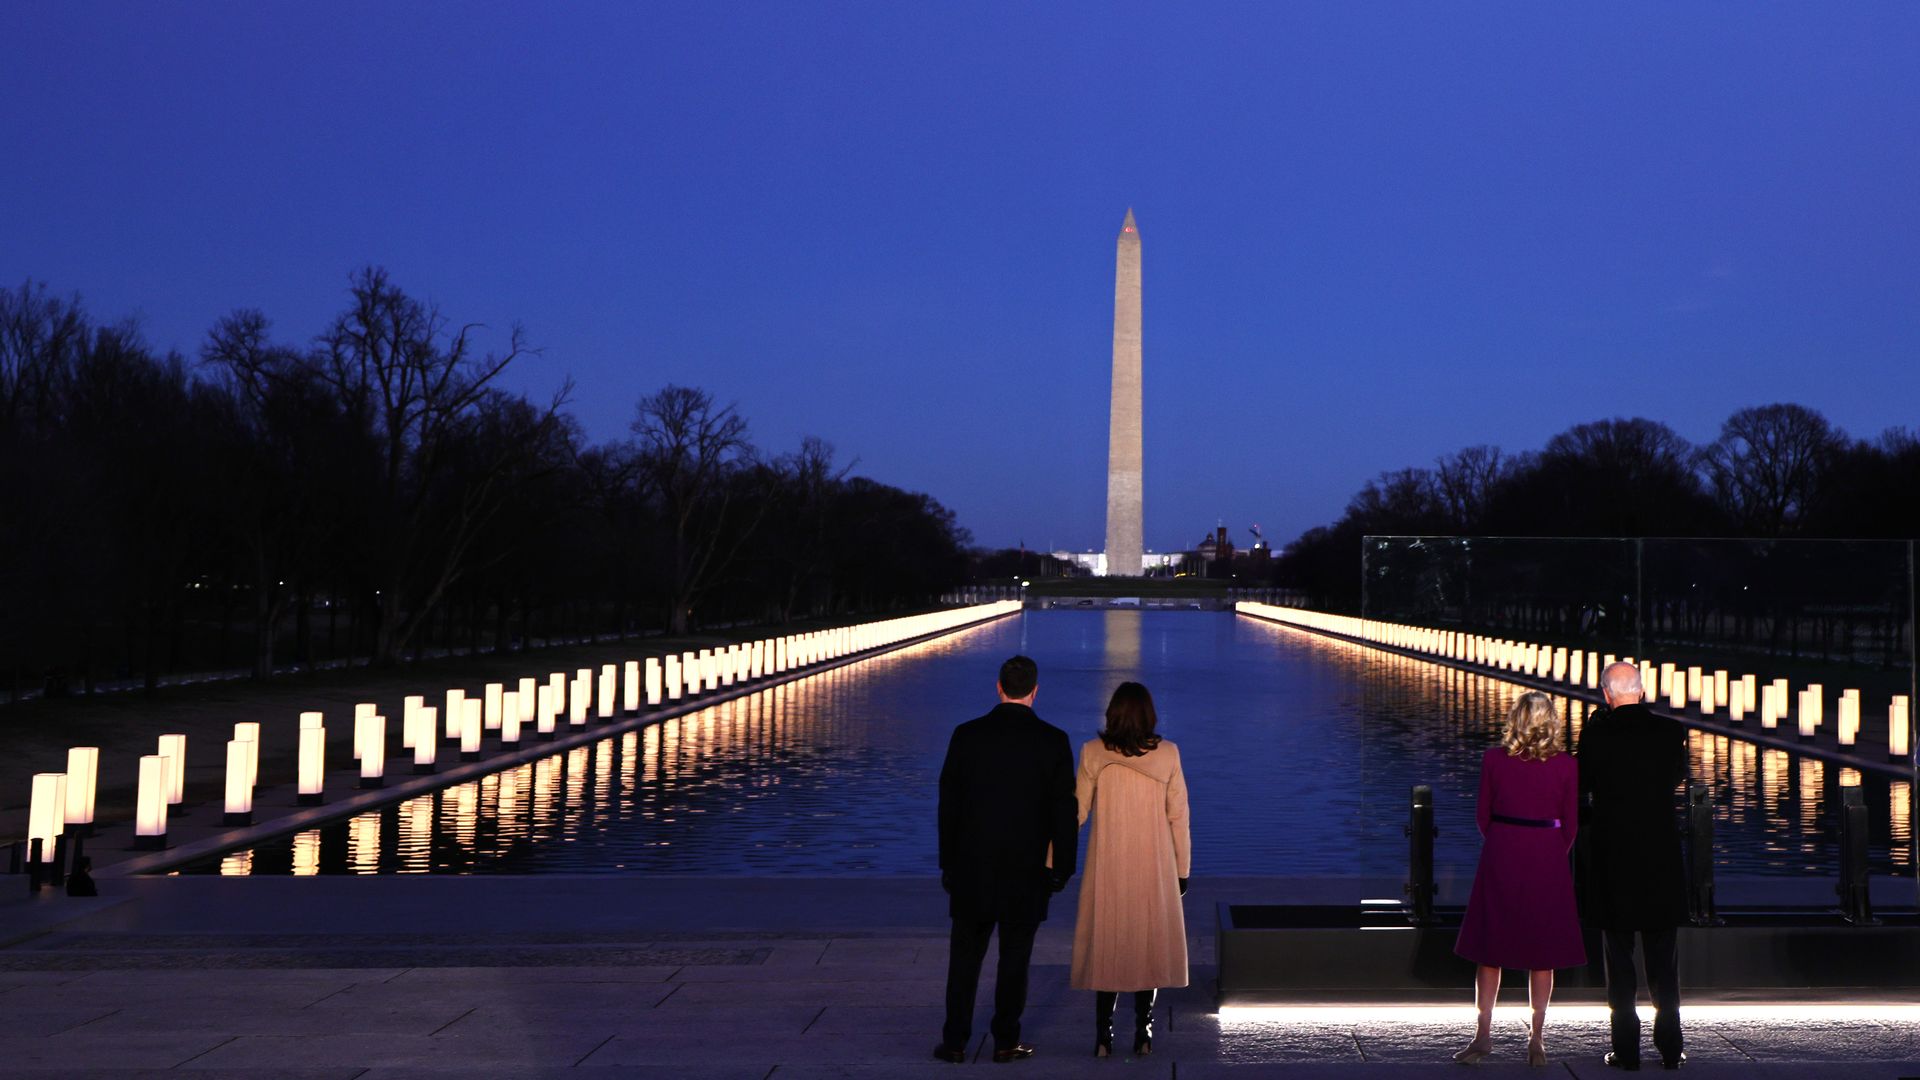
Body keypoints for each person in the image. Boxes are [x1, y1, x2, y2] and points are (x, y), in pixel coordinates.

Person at [934, 655, 1078, 1064]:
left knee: (964, 959)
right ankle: (1005, 1040)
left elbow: (949, 806)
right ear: (1035, 691)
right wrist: (1062, 867)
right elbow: (1063, 812)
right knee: (1015, 959)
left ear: (999, 687)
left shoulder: (966, 735)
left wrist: (948, 863)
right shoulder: (1053, 740)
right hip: (1026, 869)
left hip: (972, 866)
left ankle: (956, 1041)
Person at [1454, 690, 1584, 1067]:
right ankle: (1537, 1039)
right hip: (1546, 852)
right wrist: (1549, 852)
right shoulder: (1566, 764)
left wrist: (1503, 843)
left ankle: (1483, 1036)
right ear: (1551, 721)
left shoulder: (1494, 759)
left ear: (1515, 719)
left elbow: (1483, 814)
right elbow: (1571, 824)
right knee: (1542, 952)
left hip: (1503, 848)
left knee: (1490, 946)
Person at [1070, 682, 1190, 1058]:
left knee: (1108, 946)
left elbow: (1076, 813)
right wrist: (1182, 870)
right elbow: (1179, 819)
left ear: (1112, 714)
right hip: (1153, 867)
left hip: (1108, 865)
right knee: (1147, 947)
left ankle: (1103, 1036)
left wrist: (1049, 858)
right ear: (1150, 715)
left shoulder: (1092, 753)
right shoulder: (1168, 754)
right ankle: (1144, 1032)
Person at [1579, 661, 1689, 1071]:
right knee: (1665, 957)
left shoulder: (1596, 734)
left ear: (1607, 694)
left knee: (1619, 957)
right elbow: (1674, 777)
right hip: (1659, 856)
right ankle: (1671, 1047)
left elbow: (1583, 783)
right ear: (1641, 691)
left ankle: (1625, 1049)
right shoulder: (1669, 732)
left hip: (1615, 856)